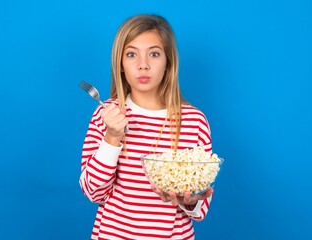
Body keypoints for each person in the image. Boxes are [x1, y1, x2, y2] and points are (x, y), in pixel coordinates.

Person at [79, 14, 214, 240]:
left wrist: (191, 201)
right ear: (120, 64)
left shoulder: (194, 120)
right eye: (131, 54)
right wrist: (112, 138)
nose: (143, 65)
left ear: (168, 61)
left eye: (154, 53)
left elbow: (200, 211)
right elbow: (93, 192)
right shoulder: (107, 114)